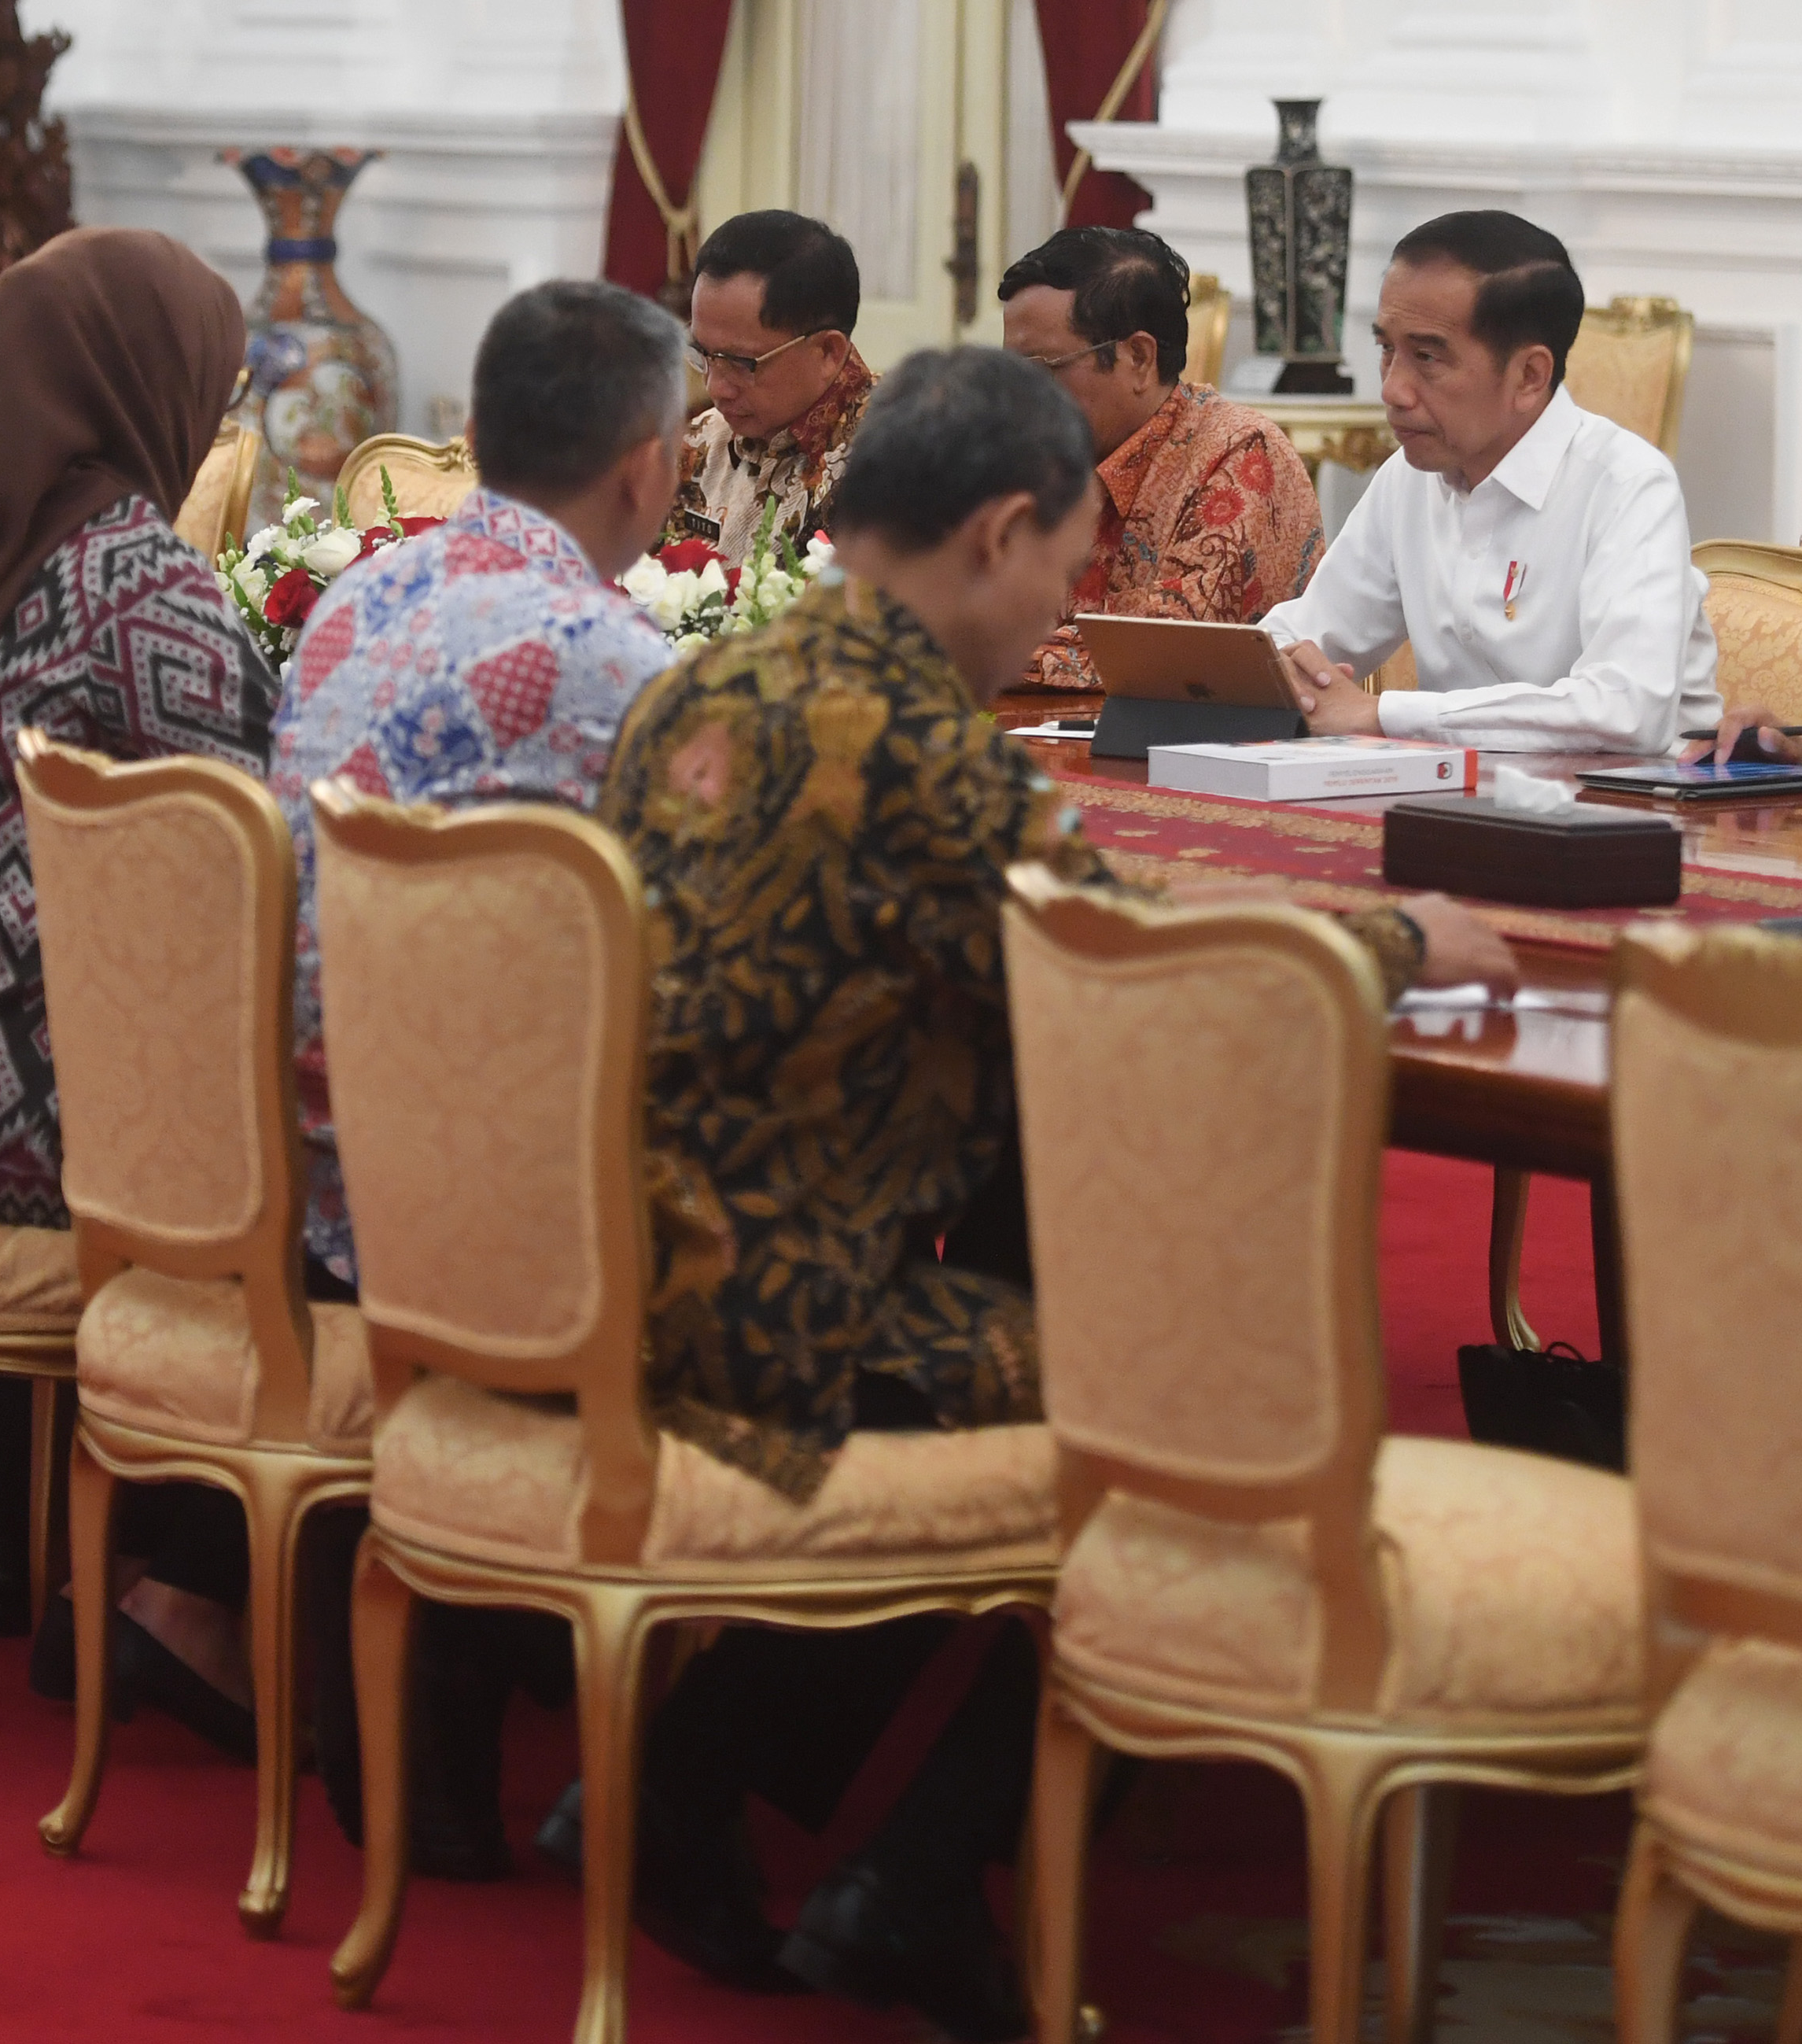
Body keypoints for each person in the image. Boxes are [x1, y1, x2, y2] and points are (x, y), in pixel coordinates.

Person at [597, 347, 1515, 2036]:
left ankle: (695, 1761)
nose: (1058, 607)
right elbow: (1132, 970)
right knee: (1213, 1426)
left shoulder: (700, 686)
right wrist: (1397, 940)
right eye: (1062, 563)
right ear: (1002, 531)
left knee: (1049, 1287)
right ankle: (924, 1873)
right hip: (795, 1316)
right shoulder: (907, 740)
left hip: (635, 1267)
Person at [267, 275, 681, 1876]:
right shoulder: (606, 656)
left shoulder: (349, 600)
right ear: (643, 468)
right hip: (493, 1234)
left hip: (324, 1176)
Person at [0, 226, 275, 1658]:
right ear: (142, 381)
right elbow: (249, 879)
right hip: (40, 1120)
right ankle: (178, 1567)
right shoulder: (151, 591)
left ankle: (10, 1519)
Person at [1261, 209, 1718, 754]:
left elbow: (1623, 711)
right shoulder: (1408, 478)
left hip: (1627, 816)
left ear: (1529, 376)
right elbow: (1305, 635)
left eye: (1426, 357)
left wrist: (1381, 713)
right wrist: (1275, 671)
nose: (1393, 389)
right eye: (1387, 349)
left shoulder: (1628, 486)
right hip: (1453, 803)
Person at [995, 225, 1319, 690]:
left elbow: (1167, 646)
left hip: (1216, 752)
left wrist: (969, 653)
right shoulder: (1038, 457)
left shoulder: (1239, 453)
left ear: (1140, 358)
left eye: (1041, 369)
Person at [669, 209, 872, 565]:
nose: (716, 388)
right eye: (702, 353)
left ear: (827, 351)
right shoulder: (702, 442)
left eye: (741, 364)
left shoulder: (893, 463)